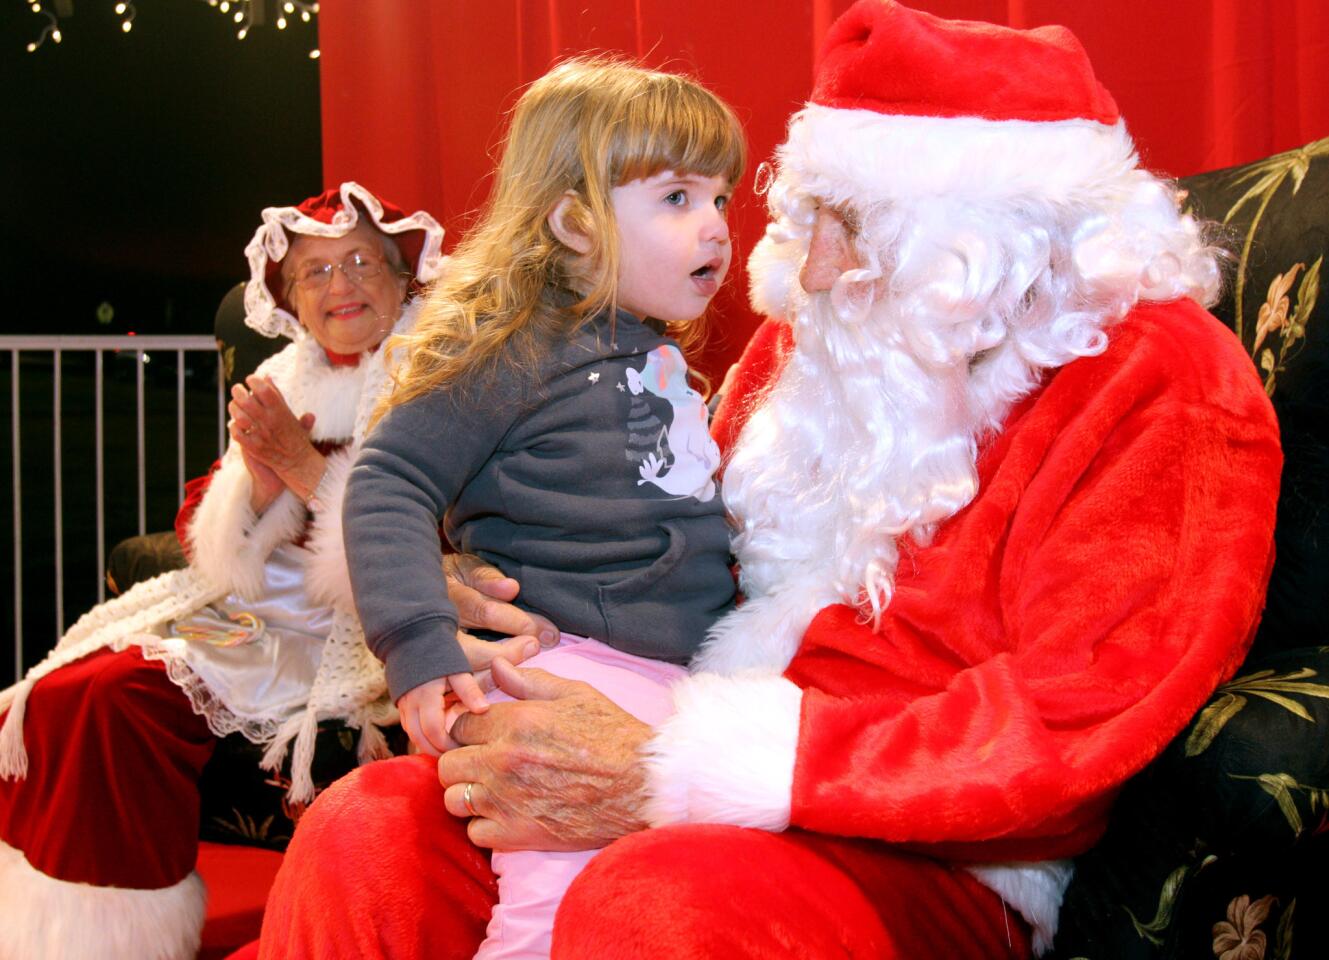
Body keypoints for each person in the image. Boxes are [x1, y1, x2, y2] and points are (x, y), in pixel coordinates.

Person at [255, 4, 1282, 958]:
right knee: (365, 830)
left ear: (990, 228)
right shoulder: (819, 341)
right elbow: (646, 529)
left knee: (665, 902)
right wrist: (473, 575)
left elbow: (1070, 723)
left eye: (852, 222)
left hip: (926, 849)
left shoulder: (1159, 381)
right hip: (676, 734)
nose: (810, 269)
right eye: (803, 215)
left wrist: (696, 770)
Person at [0, 183, 548, 960]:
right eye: (315, 274)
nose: (341, 286)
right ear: (290, 299)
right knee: (59, 694)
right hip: (252, 616)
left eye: (360, 262)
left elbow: (437, 531)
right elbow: (209, 532)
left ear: (403, 277)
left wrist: (301, 470)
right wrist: (256, 488)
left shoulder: (437, 372)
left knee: (114, 696)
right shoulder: (291, 375)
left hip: (358, 627)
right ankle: (68, 938)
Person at [341, 57, 742, 957]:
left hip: (673, 674)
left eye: (721, 199)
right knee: (553, 888)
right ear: (573, 222)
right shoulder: (513, 347)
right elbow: (389, 481)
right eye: (676, 198)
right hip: (566, 665)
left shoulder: (649, 350)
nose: (715, 227)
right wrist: (417, 645)